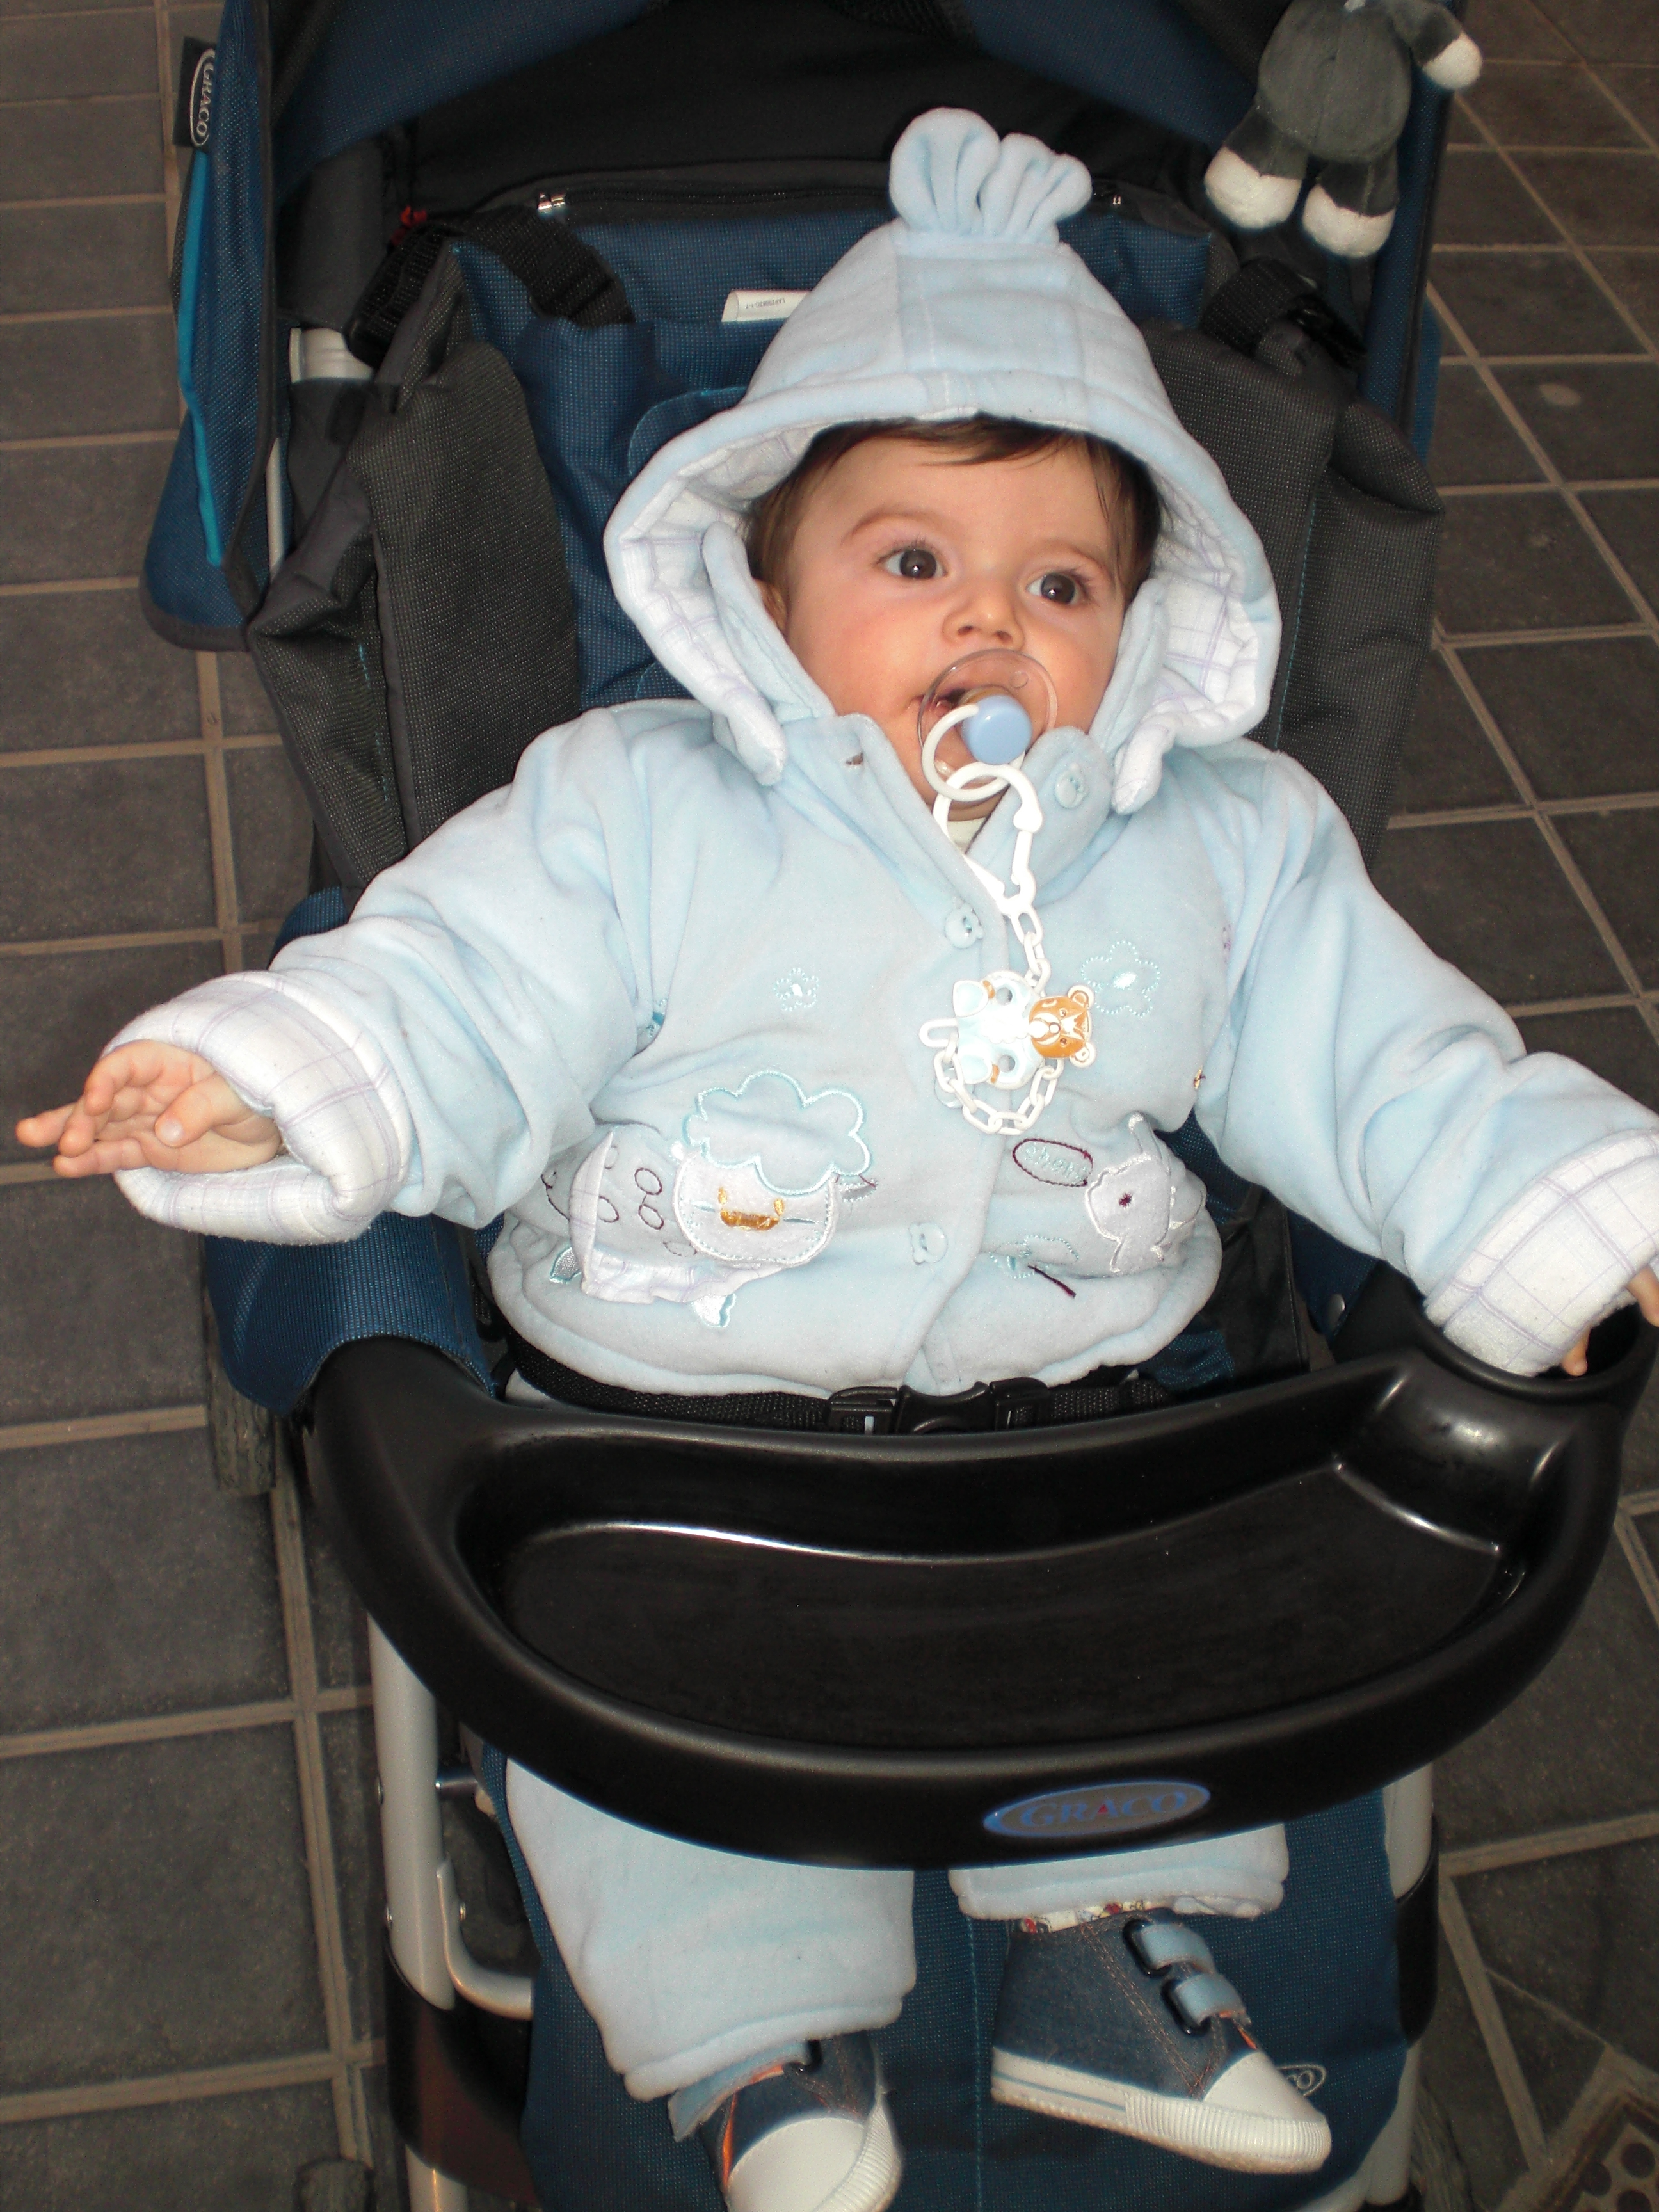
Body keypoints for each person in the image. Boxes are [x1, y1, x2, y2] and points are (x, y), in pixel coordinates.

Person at [19, 109, 1659, 2212]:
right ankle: (755, 2051)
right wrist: (281, 1079)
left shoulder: (1218, 843)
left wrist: (1559, 1216)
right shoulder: (638, 807)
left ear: (1147, 622)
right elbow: (460, 985)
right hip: (676, 1428)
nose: (991, 623)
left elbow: (1391, 1062)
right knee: (639, 1726)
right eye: (912, 564)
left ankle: (1105, 1962)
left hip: (1083, 1419)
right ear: (765, 596)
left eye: (1060, 582)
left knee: (1157, 1667)